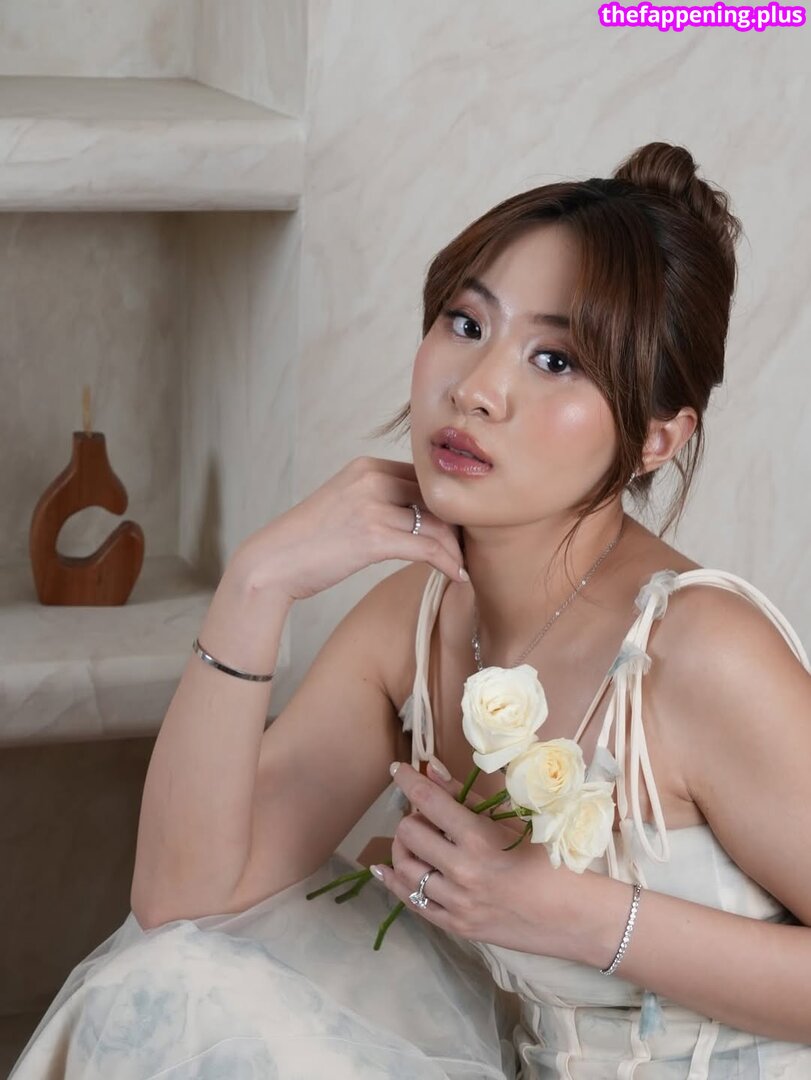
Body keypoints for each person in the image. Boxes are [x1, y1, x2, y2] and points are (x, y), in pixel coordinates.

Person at [10, 140, 811, 1080]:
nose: (474, 390)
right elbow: (184, 900)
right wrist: (256, 583)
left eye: (555, 359)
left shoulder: (699, 650)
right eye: (466, 324)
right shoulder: (416, 620)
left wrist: (570, 914)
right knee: (168, 987)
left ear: (655, 439)